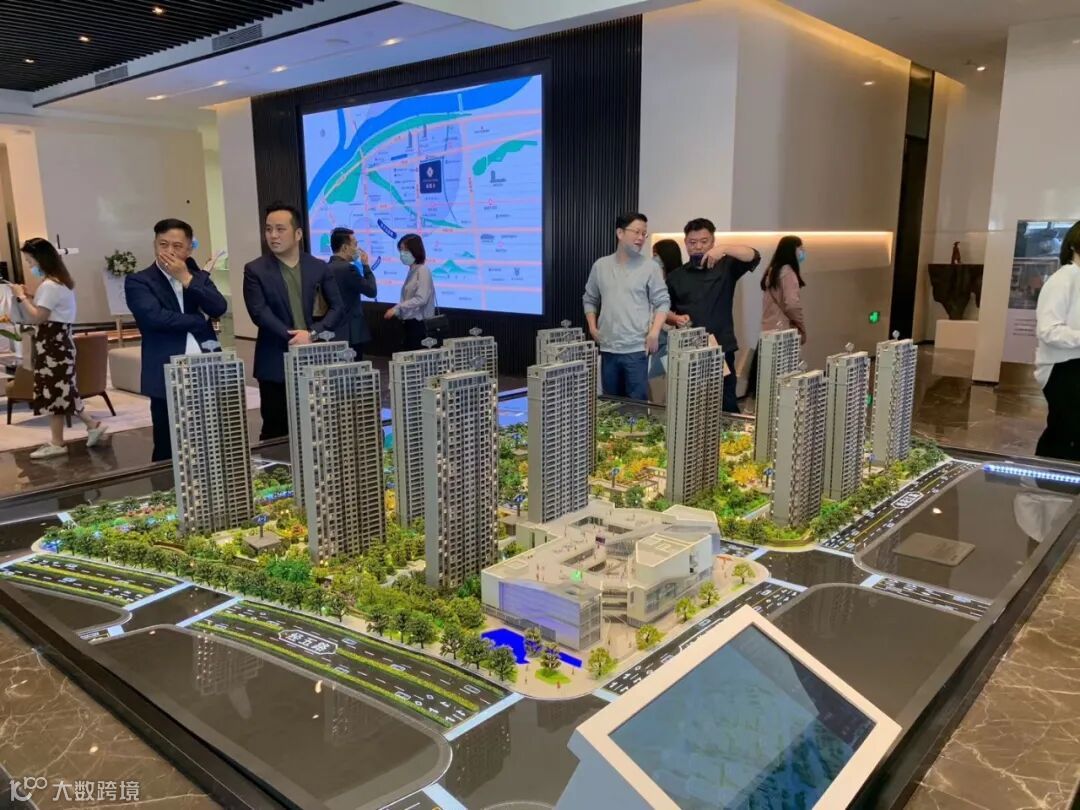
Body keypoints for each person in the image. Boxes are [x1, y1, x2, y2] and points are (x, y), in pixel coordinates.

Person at [126, 218, 228, 462]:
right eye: (163, 244)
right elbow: (154, 318)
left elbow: (219, 307)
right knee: (167, 445)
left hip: (206, 368)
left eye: (177, 246)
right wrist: (198, 320)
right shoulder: (139, 281)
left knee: (211, 440)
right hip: (166, 369)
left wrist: (187, 279)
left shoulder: (196, 276)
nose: (169, 252)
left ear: (189, 249)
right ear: (154, 245)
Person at [243, 202, 344, 440]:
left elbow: (338, 308)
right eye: (268, 229)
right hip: (274, 360)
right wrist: (293, 336)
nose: (273, 235)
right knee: (276, 429)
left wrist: (312, 334)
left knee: (317, 425)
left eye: (280, 229)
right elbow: (259, 312)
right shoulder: (255, 270)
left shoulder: (318, 267)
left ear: (298, 234)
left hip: (314, 358)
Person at [9, 238, 108, 459]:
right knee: (61, 391)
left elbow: (38, 317)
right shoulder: (57, 283)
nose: (29, 265)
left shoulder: (50, 286)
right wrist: (30, 297)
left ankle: (58, 442)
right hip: (57, 344)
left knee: (55, 392)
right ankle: (91, 426)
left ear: (41, 259)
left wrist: (21, 297)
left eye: (30, 260)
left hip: (53, 346)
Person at [665, 217, 760, 412]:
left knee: (726, 403)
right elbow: (663, 311)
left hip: (721, 347)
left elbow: (753, 255)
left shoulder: (726, 267)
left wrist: (724, 249)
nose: (698, 247)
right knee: (690, 406)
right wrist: (675, 318)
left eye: (704, 241)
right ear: (686, 243)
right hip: (689, 350)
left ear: (712, 241)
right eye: (692, 242)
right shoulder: (676, 276)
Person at [582, 212, 670, 401]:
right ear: (620, 233)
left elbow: (663, 301)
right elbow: (589, 298)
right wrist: (592, 327)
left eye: (644, 234)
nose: (641, 238)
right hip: (608, 347)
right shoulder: (600, 265)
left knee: (636, 406)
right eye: (636, 232)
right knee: (611, 404)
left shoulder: (650, 267)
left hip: (636, 349)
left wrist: (654, 332)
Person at [1034, 220, 1080, 461]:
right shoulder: (1064, 279)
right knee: (1065, 434)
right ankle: (1048, 480)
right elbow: (1048, 330)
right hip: (1063, 368)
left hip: (1073, 364)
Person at [326, 226, 377, 361]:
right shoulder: (348, 269)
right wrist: (366, 266)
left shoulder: (326, 268)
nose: (357, 249)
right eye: (355, 244)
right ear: (345, 248)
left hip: (333, 331)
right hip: (351, 333)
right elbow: (371, 291)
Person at [383, 233, 435, 351]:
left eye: (405, 250)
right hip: (409, 324)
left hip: (420, 325)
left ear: (415, 250)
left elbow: (421, 299)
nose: (402, 254)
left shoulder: (423, 270)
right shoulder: (412, 271)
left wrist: (397, 308)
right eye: (400, 250)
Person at [647, 238, 684, 402]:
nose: (653, 258)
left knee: (657, 381)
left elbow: (669, 311)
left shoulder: (675, 280)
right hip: (657, 336)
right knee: (657, 382)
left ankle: (658, 412)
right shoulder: (657, 278)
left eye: (656, 254)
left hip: (669, 337)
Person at [760, 235, 807, 344]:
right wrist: (801, 326)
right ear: (792, 251)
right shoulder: (788, 273)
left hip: (769, 330)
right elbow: (792, 305)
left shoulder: (773, 271)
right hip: (784, 332)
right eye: (800, 248)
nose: (803, 252)